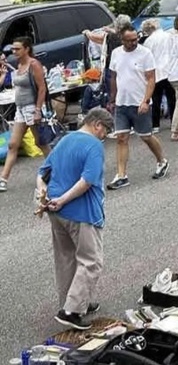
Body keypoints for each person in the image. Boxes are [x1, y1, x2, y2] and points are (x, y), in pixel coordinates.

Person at [36, 108, 114, 331]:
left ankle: (71, 302)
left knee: (66, 258)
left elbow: (42, 173)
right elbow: (87, 181)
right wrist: (63, 199)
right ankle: (71, 311)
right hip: (81, 211)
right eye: (105, 130)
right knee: (91, 261)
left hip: (56, 211)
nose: (105, 136)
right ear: (97, 124)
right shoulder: (94, 146)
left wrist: (45, 195)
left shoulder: (65, 139)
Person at [106, 26, 169, 191]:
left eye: (136, 39)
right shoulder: (116, 54)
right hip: (122, 103)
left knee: (146, 136)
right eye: (130, 40)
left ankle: (162, 161)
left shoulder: (145, 53)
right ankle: (121, 175)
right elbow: (113, 77)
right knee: (121, 138)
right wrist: (112, 99)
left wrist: (146, 101)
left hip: (139, 102)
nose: (134, 42)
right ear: (122, 40)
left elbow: (151, 78)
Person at [0, 37, 50, 191]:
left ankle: (56, 168)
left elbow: (42, 88)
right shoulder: (18, 64)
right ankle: (3, 179)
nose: (14, 52)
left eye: (17, 49)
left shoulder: (33, 64)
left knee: (40, 143)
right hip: (20, 109)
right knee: (13, 144)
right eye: (13, 49)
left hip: (31, 107)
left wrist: (37, 110)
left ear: (26, 49)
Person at [140, 19, 175, 135]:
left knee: (156, 99)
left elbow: (146, 58)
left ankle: (155, 124)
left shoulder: (148, 41)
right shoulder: (168, 35)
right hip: (169, 69)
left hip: (156, 72)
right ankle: (173, 121)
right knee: (171, 97)